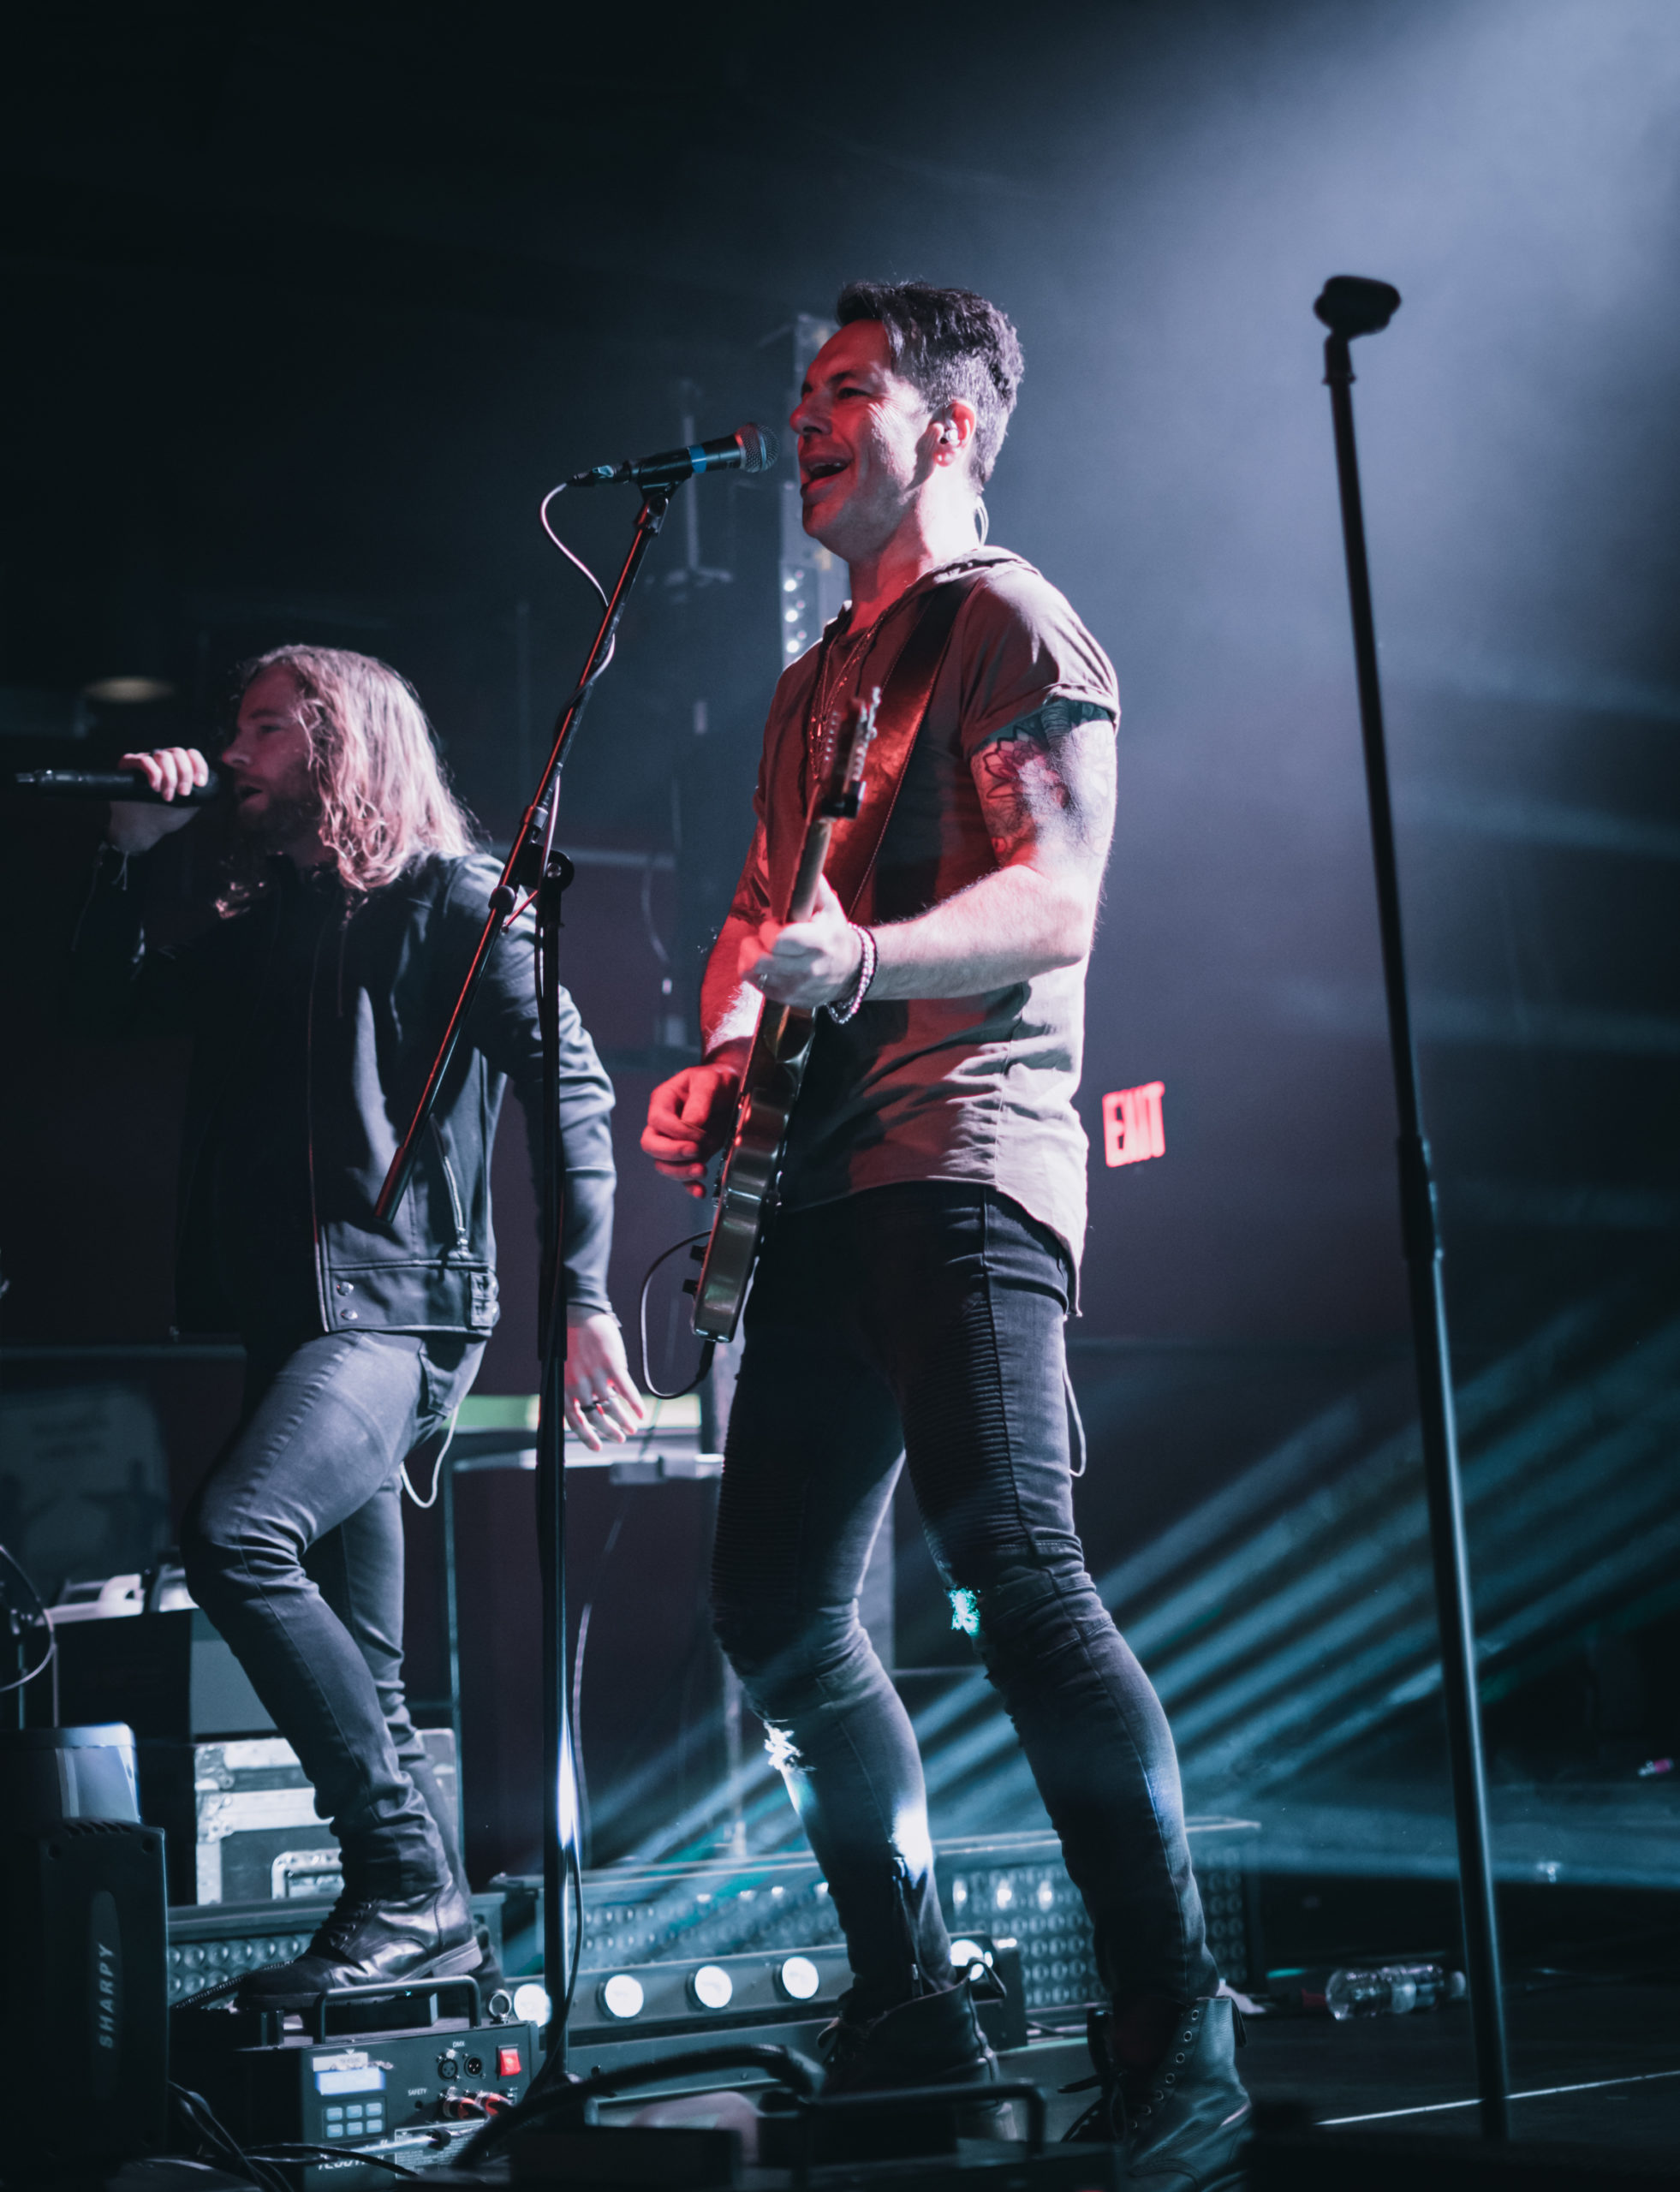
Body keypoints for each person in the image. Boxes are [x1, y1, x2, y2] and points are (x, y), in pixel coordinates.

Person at [642, 284, 1248, 2182]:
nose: (806, 423)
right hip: (818, 1181)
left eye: (848, 392)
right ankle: (910, 2001)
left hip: (965, 1158)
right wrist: (719, 1062)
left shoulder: (1011, 624)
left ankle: (1175, 2024)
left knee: (1016, 1576)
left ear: (952, 426)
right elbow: (764, 923)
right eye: (803, 395)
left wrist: (867, 960)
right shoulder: (810, 684)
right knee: (775, 1609)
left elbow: (1057, 897)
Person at [72, 645, 643, 2004]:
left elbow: (570, 1090)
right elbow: (100, 1008)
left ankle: (402, 1883)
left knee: (238, 1537)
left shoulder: (451, 900)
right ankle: (433, 1941)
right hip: (294, 1323)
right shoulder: (271, 920)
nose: (235, 750)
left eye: (266, 727)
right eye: (236, 727)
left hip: (396, 1312)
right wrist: (128, 852)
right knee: (367, 1669)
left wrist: (580, 1296)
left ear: (341, 744)